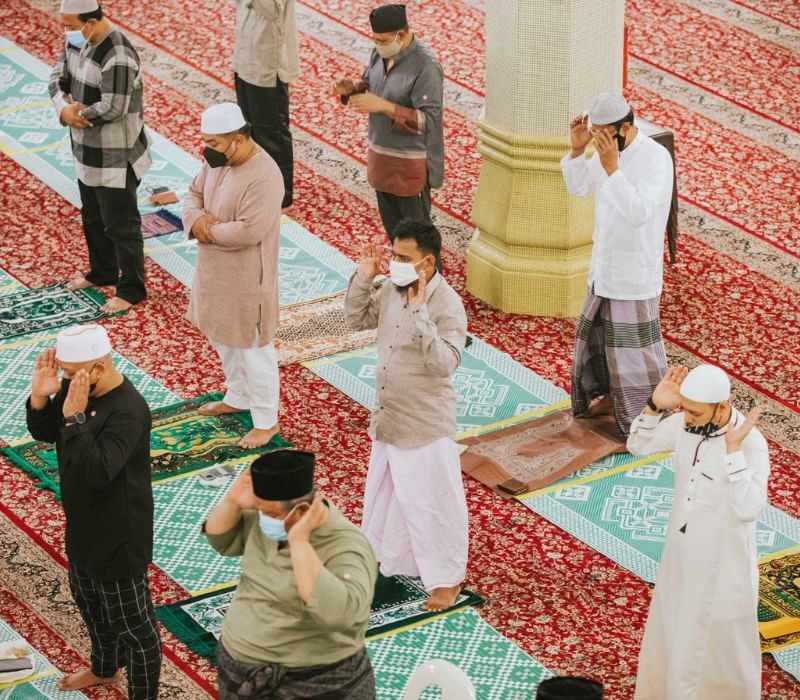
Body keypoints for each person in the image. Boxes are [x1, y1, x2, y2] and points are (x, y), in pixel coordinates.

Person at [26, 324, 160, 698]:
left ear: (99, 367)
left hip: (120, 534)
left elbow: (100, 471)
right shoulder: (78, 388)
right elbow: (46, 433)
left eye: (70, 373)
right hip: (83, 523)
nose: (65, 380)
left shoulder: (129, 411)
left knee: (136, 629)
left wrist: (75, 418)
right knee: (90, 604)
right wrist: (41, 397)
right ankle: (104, 669)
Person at [344, 219, 468, 611]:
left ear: (427, 263)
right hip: (390, 413)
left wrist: (419, 313)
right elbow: (356, 319)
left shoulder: (446, 304)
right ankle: (397, 560)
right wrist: (364, 278)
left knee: (433, 505)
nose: (393, 262)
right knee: (391, 496)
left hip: (424, 423)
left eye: (402, 257)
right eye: (393, 253)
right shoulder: (392, 289)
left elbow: (444, 364)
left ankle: (446, 580)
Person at [628, 364, 768, 699]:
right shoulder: (683, 425)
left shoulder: (751, 444)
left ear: (722, 406)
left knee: (714, 640)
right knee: (674, 624)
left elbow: (749, 509)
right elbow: (638, 444)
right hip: (681, 551)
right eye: (683, 409)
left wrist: (733, 453)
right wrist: (655, 406)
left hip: (722, 562)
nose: (686, 417)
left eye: (694, 411)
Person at [204, 450, 377, 699]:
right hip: (240, 668)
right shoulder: (268, 514)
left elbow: (339, 614)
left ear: (301, 510)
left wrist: (300, 542)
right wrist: (232, 501)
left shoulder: (345, 545)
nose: (262, 518)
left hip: (312, 681)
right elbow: (220, 541)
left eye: (271, 515)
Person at [561, 93, 674, 436]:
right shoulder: (606, 153)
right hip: (604, 270)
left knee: (636, 359)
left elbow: (640, 213)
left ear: (625, 127)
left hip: (634, 274)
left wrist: (613, 169)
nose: (601, 141)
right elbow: (579, 188)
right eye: (595, 133)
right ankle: (606, 401)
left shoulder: (655, 160)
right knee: (597, 343)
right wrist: (579, 150)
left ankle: (646, 423)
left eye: (604, 134)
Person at [183, 103, 284, 449]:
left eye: (213, 142)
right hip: (213, 271)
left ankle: (266, 421)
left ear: (238, 140)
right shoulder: (218, 160)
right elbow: (193, 193)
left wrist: (207, 232)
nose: (207, 150)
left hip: (246, 277)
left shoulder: (265, 175)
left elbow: (248, 231)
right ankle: (238, 395)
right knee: (223, 338)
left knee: (254, 349)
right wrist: (196, 221)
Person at [49, 0, 151, 313]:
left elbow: (114, 107)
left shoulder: (117, 54)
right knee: (93, 217)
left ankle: (132, 289)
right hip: (86, 150)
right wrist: (63, 109)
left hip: (115, 157)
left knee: (121, 225)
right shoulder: (77, 40)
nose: (67, 32)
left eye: (71, 25)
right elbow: (57, 76)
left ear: (92, 22)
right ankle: (102, 271)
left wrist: (79, 114)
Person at [333, 4, 444, 240]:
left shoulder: (426, 67)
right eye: (375, 40)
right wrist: (352, 88)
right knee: (395, 238)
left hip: (409, 171)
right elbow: (372, 85)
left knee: (418, 243)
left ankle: (430, 279)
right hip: (382, 164)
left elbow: (429, 122)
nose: (378, 45)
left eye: (382, 40)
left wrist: (384, 106)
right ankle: (400, 278)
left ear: (401, 35)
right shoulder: (379, 54)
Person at [233, 0, 299, 210]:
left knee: (271, 134)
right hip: (245, 56)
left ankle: (281, 197)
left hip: (268, 64)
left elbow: (272, 10)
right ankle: (257, 187)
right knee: (249, 130)